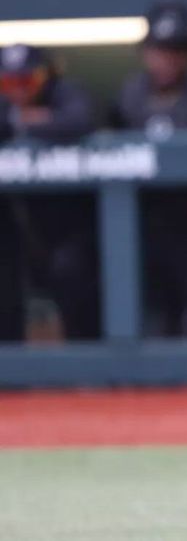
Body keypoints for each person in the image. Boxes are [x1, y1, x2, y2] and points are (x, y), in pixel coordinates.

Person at [113, 0, 187, 336]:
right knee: (152, 321)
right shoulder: (129, 96)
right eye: (160, 50)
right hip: (143, 227)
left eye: (177, 51)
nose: (168, 60)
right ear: (146, 52)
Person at [0, 44, 99, 339]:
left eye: (27, 81)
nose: (18, 91)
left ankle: (86, 372)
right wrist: (24, 119)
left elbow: (79, 120)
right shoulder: (6, 104)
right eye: (9, 83)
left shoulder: (66, 91)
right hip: (19, 222)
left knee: (74, 281)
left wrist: (26, 122)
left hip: (68, 220)